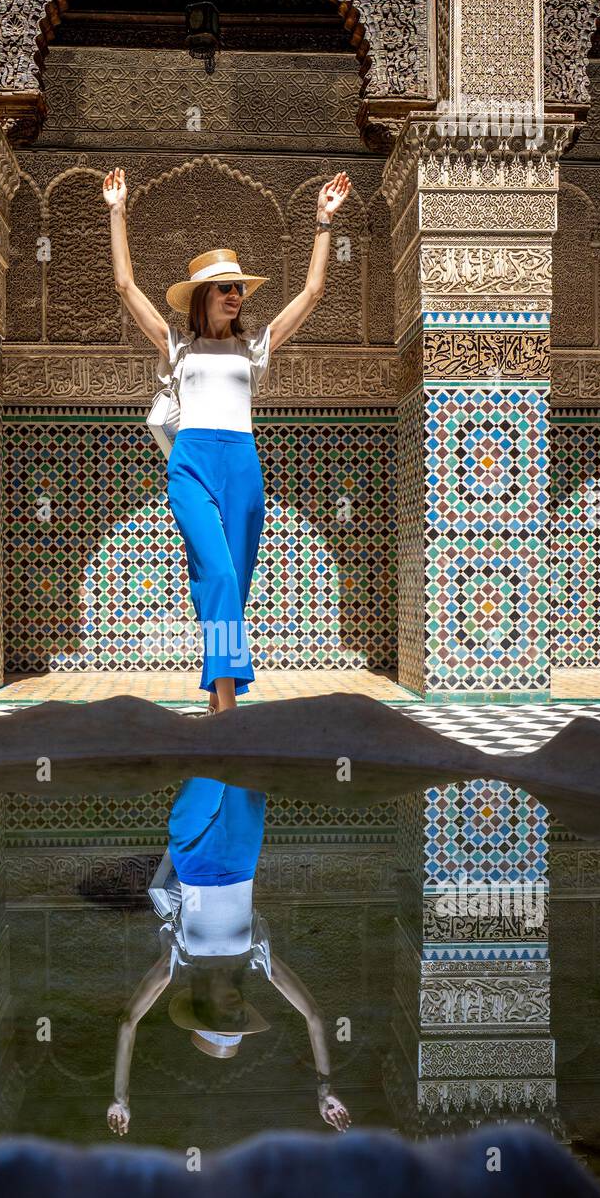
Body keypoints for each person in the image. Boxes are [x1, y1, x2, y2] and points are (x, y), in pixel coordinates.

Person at [103, 167, 351, 713]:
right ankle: (230, 710)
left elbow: (312, 293)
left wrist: (323, 222)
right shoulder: (178, 348)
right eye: (226, 287)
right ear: (202, 297)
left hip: (242, 464)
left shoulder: (254, 349)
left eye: (240, 287)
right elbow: (125, 286)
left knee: (229, 586)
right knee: (215, 571)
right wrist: (117, 210)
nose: (236, 294)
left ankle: (218, 700)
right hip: (191, 464)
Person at [106, 775, 352, 1137]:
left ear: (205, 1006)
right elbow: (313, 1015)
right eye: (240, 1018)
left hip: (192, 854)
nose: (238, 1009)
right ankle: (225, 715)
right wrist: (325, 1087)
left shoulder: (181, 958)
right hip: (241, 853)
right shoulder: (256, 957)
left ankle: (217, 717)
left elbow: (128, 1021)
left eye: (227, 1016)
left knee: (211, 759)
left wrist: (120, 1096)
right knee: (242, 755)